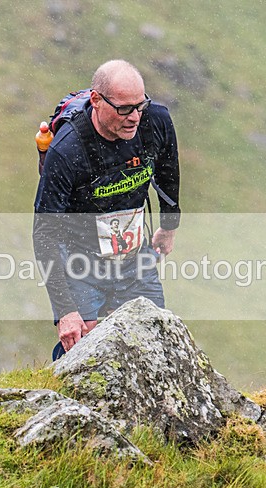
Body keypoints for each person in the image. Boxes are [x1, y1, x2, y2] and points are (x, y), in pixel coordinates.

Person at [33, 59, 181, 359]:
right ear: (96, 100)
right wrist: (65, 311)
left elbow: (168, 172)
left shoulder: (155, 121)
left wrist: (168, 226)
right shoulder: (68, 149)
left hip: (134, 257)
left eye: (139, 106)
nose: (134, 118)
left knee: (155, 342)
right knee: (81, 344)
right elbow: (45, 232)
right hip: (81, 262)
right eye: (124, 109)